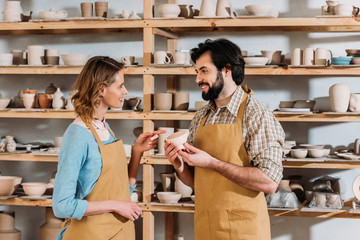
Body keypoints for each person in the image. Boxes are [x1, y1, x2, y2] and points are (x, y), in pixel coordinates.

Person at [164, 39, 285, 239]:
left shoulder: (256, 115)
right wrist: (179, 165)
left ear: (226, 70)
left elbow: (269, 182)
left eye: (204, 71)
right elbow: (196, 181)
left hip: (244, 231)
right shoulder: (201, 116)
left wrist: (213, 163)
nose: (198, 79)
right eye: (197, 72)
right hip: (207, 227)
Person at [52, 56, 165, 239]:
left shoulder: (105, 127)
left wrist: (136, 153)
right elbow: (61, 205)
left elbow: (123, 192)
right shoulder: (77, 134)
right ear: (101, 88)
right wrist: (115, 205)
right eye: (120, 85)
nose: (125, 91)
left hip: (119, 232)